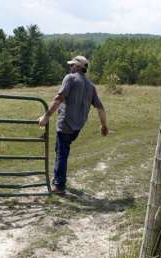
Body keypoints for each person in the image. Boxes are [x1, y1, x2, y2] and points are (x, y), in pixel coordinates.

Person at [37, 55, 109, 194]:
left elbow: (58, 99)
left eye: (72, 65)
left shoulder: (70, 78)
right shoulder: (90, 86)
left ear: (78, 67)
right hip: (77, 127)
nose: (70, 67)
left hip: (65, 124)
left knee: (61, 154)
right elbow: (100, 108)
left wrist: (46, 117)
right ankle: (58, 177)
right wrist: (104, 126)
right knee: (61, 151)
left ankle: (59, 185)